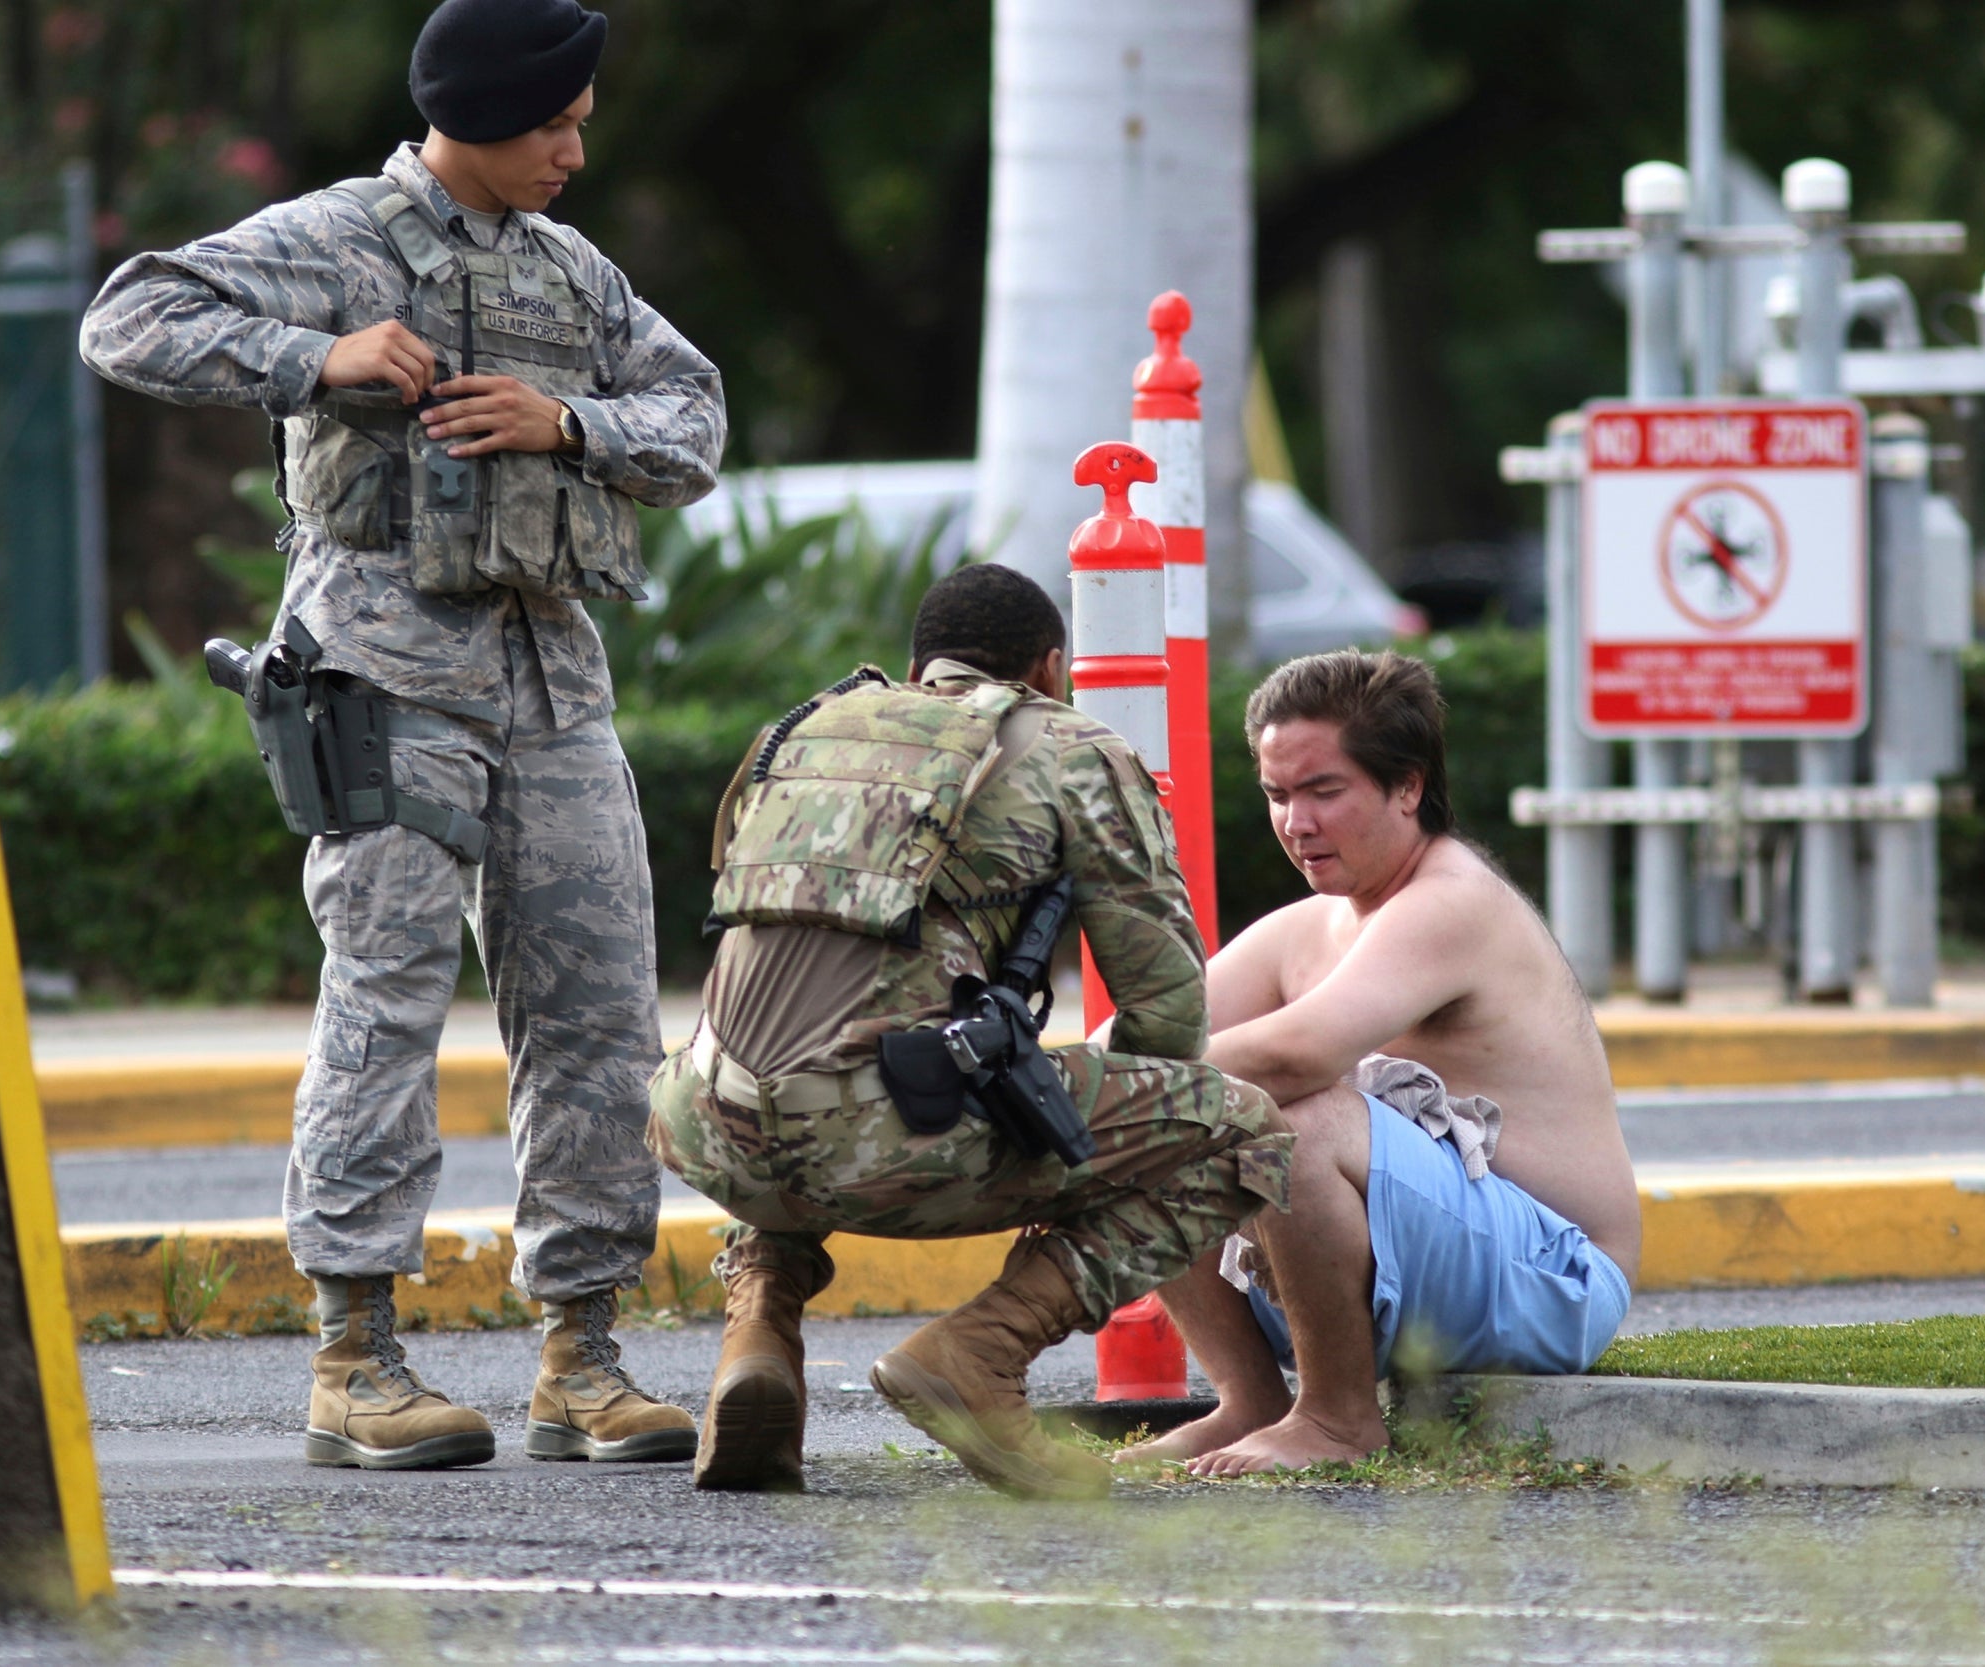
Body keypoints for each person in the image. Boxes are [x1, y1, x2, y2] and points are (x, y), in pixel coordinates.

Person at [81, 0, 725, 1470]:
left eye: (580, 118)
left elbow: (692, 413)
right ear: (476, 117)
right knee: (385, 1005)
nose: (576, 145)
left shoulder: (577, 269)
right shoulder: (336, 235)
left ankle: (584, 1353)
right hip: (382, 678)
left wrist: (569, 422)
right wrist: (317, 357)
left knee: (599, 1017)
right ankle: (355, 1356)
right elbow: (128, 316)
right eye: (552, 121)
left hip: (555, 683)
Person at [649, 562, 1292, 1500]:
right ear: (1051, 667)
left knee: (800, 1057)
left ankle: (759, 1334)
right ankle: (981, 1351)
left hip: (703, 1121)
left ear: (919, 672)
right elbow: (1167, 1012)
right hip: (884, 1139)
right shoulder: (1070, 747)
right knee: (1243, 1129)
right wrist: (1091, 1140)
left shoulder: (799, 730)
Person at [1131, 649, 1640, 1478]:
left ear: (1407, 786)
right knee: (1153, 1110)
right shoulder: (1309, 926)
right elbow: (1141, 1034)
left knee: (1290, 1110)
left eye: (1324, 791)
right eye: (1277, 795)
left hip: (1555, 1275)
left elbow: (1302, 1052)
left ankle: (1337, 1418)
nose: (1297, 821)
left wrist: (1110, 1093)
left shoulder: (1452, 900)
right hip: (1439, 1267)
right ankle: (1252, 1400)